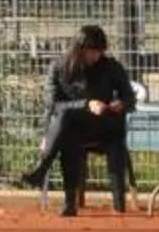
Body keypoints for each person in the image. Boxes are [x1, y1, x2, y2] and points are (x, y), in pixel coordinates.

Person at [13, 25, 133, 215]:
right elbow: (52, 105)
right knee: (67, 126)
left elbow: (129, 97)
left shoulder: (111, 66)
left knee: (66, 123)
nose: (95, 56)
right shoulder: (59, 67)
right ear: (79, 49)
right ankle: (70, 203)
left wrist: (122, 103)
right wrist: (86, 104)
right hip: (73, 128)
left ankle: (41, 169)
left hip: (106, 126)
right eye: (91, 51)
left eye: (99, 52)